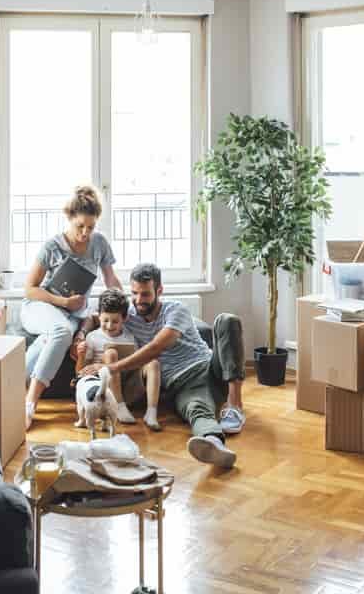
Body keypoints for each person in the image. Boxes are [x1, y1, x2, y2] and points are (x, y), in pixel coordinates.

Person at [80, 263, 246, 468]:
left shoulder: (176, 310)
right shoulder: (129, 314)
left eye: (145, 294)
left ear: (159, 291)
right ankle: (214, 443)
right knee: (197, 411)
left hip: (209, 367)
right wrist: (81, 336)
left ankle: (235, 405)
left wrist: (111, 368)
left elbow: (156, 347)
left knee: (226, 320)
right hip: (183, 387)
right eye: (134, 293)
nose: (139, 300)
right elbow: (95, 316)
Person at [22, 186, 122, 429]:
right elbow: (29, 289)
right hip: (40, 307)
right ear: (69, 218)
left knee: (58, 334)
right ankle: (30, 402)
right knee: (61, 331)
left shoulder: (99, 244)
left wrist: (124, 304)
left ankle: (9, 383)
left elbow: (111, 280)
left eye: (91, 227)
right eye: (80, 226)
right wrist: (64, 302)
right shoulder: (52, 246)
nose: (85, 233)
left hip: (71, 316)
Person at [76, 289, 162, 431]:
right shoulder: (92, 337)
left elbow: (135, 363)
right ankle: (119, 407)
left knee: (153, 363)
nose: (110, 326)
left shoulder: (129, 336)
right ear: (99, 316)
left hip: (129, 386)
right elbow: (80, 372)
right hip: (106, 392)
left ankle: (151, 413)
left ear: (125, 319)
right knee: (111, 353)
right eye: (105, 321)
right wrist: (82, 356)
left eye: (115, 321)